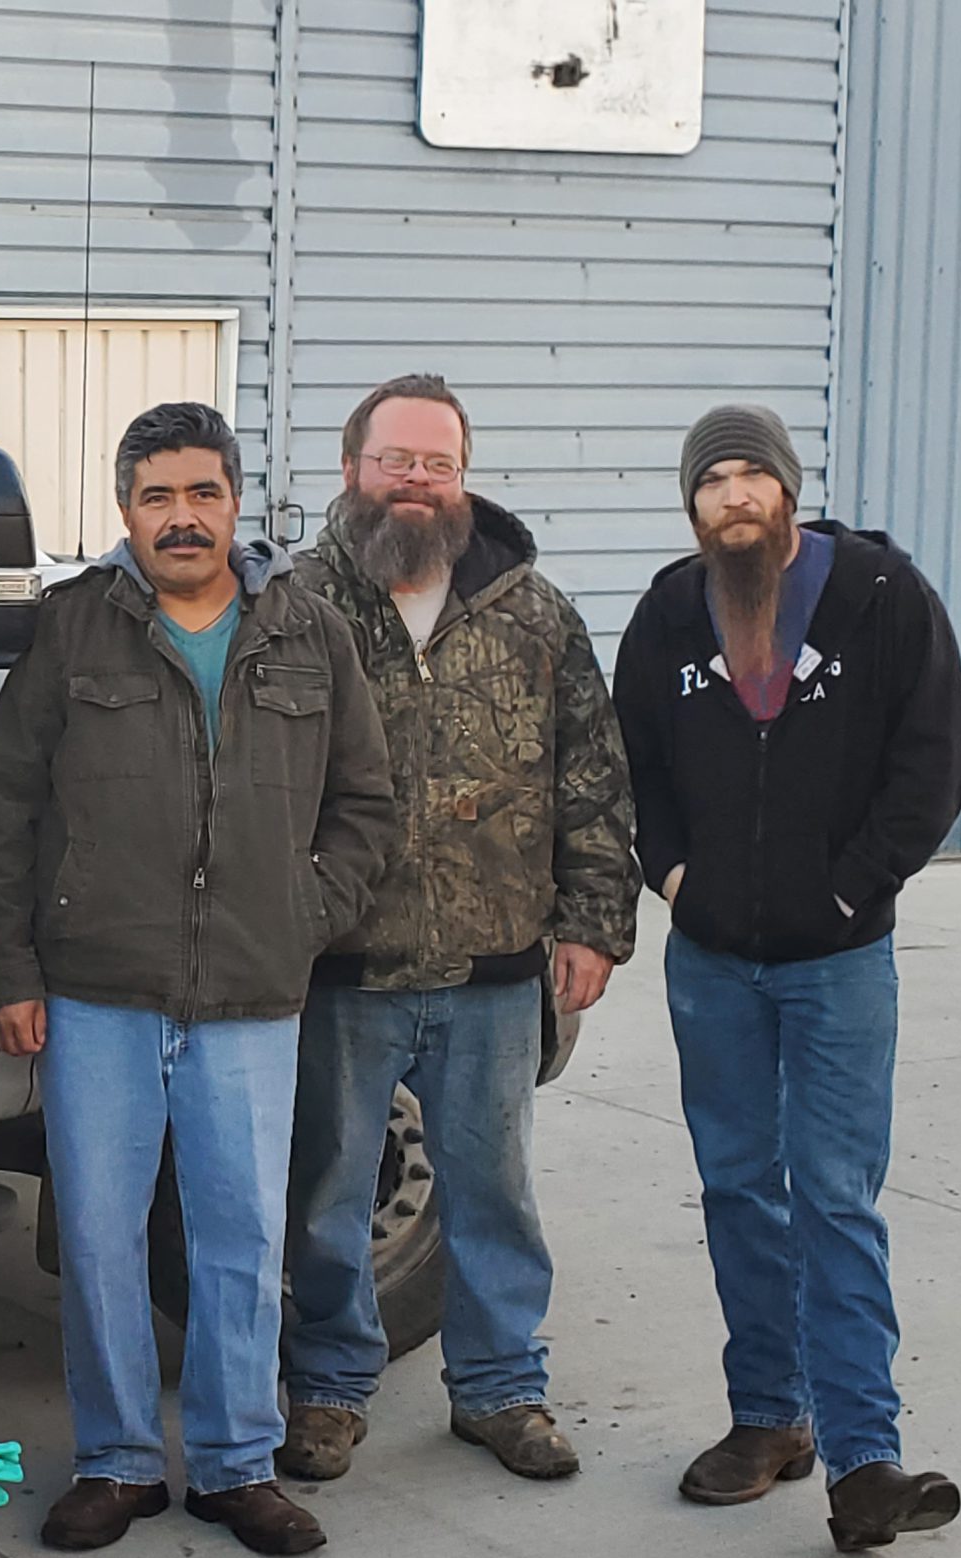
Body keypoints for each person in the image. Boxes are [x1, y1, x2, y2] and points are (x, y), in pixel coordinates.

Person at [0, 402, 397, 1558]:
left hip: (251, 992)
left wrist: (308, 914)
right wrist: (8, 968)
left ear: (236, 502)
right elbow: (1, 808)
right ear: (123, 512)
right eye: (157, 497)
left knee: (241, 1235)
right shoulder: (72, 630)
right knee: (99, 1234)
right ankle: (114, 1462)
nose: (182, 518)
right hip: (99, 985)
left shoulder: (312, 633)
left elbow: (364, 806)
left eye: (202, 493)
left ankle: (237, 1462)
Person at [612, 404, 961, 1552]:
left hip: (836, 964)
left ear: (786, 490)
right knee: (735, 1189)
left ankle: (866, 1457)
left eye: (750, 476)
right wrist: (672, 876)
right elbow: (633, 766)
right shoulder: (670, 612)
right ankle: (767, 1419)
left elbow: (934, 761)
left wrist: (846, 889)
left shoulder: (877, 597)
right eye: (712, 480)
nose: (733, 497)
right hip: (713, 962)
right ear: (692, 504)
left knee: (830, 1194)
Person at [277, 376, 638, 1484]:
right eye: (395, 461)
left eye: (437, 464)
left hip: (494, 962)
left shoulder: (532, 610)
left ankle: (499, 1391)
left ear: (463, 477)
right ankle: (331, 1393)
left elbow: (592, 772)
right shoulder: (294, 606)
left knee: (493, 1191)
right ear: (351, 472)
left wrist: (593, 923)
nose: (416, 483)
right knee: (330, 1194)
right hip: (345, 964)